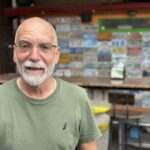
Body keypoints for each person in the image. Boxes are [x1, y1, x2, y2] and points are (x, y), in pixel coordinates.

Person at [0, 17, 101, 150]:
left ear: (56, 54)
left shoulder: (77, 97)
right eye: (25, 46)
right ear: (14, 53)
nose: (34, 56)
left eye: (44, 47)